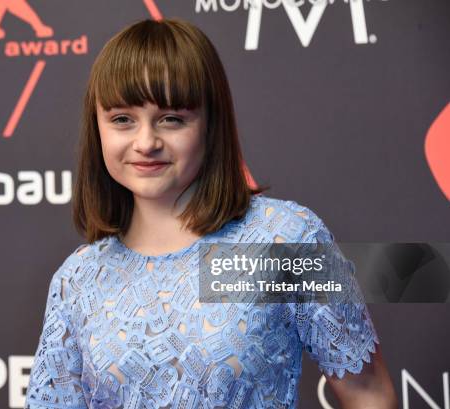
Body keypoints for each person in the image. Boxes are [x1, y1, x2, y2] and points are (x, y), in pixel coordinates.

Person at [24, 18, 398, 409]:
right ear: (97, 128)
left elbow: (367, 391)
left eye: (172, 119)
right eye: (122, 119)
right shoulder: (78, 280)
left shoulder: (285, 240)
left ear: (210, 123)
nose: (146, 142)